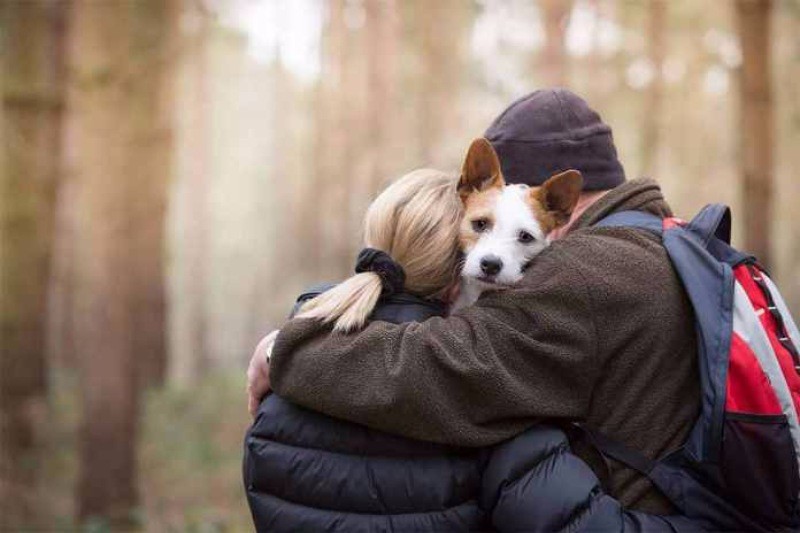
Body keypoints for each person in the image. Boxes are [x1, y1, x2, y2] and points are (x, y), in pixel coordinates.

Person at [247, 88, 701, 516]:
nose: (497, 248)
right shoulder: (665, 241)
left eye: (522, 228)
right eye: (482, 223)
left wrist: (284, 349)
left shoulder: (584, 270)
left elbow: (443, 370)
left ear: (553, 201)